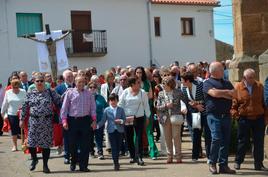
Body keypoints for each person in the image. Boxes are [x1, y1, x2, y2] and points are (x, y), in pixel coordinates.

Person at [19, 73, 61, 173]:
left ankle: (45, 165)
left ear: (44, 82)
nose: (39, 83)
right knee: (31, 143)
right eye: (37, 81)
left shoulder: (50, 92)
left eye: (41, 81)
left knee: (46, 145)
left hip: (47, 122)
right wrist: (21, 119)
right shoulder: (30, 93)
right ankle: (34, 159)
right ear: (34, 82)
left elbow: (59, 102)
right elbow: (24, 108)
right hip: (34, 121)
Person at [203, 61, 236, 174]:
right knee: (216, 138)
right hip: (213, 115)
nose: (223, 71)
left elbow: (235, 94)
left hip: (226, 115)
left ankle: (223, 165)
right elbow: (214, 94)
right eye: (221, 69)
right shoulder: (207, 83)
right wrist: (226, 93)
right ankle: (212, 162)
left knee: (225, 140)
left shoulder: (226, 82)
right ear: (214, 71)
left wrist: (221, 93)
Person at [231, 68, 268, 171]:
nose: (252, 79)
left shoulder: (260, 86)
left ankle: (258, 164)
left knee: (259, 142)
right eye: (249, 78)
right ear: (244, 78)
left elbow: (264, 103)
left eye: (253, 77)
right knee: (242, 141)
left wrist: (266, 117)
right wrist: (236, 116)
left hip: (258, 118)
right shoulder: (238, 87)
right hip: (244, 119)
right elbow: (234, 104)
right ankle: (238, 162)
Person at [61, 76, 96, 172]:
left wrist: (94, 120)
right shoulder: (69, 93)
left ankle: (83, 165)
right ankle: (73, 162)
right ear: (75, 83)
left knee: (85, 144)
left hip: (85, 120)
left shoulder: (89, 94)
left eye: (83, 82)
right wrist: (64, 121)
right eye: (79, 82)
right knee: (72, 144)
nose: (81, 84)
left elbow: (93, 108)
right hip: (73, 121)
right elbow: (64, 108)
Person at [118, 76, 151, 166]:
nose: (140, 84)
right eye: (138, 83)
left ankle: (139, 157)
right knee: (128, 138)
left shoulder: (142, 93)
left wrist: (147, 116)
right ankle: (133, 156)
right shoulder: (125, 92)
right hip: (127, 118)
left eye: (139, 82)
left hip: (139, 117)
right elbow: (120, 104)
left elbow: (146, 105)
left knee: (139, 137)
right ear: (132, 84)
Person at [181, 72, 211, 162]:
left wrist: (198, 104)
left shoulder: (200, 85)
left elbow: (207, 98)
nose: (181, 82)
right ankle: (195, 156)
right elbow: (187, 100)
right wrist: (195, 105)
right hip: (195, 113)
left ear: (187, 81)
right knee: (196, 134)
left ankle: (210, 157)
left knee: (207, 134)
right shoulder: (184, 88)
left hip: (205, 112)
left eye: (182, 80)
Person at [156, 76, 187, 164]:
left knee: (176, 137)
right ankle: (169, 156)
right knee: (167, 138)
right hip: (165, 118)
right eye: (162, 83)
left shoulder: (178, 92)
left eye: (164, 84)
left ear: (170, 84)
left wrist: (183, 110)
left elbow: (184, 103)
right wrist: (166, 106)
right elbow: (157, 107)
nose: (163, 85)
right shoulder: (161, 94)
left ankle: (178, 156)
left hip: (176, 117)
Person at [98, 93, 126, 171]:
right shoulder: (107, 110)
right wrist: (97, 126)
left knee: (118, 147)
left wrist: (120, 121)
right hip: (111, 131)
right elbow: (103, 120)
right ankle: (115, 162)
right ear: (109, 101)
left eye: (114, 100)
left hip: (119, 130)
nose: (113, 102)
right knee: (113, 147)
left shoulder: (121, 109)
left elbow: (124, 120)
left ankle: (116, 160)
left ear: (117, 101)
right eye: (111, 100)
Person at [55, 70, 75, 164]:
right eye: (68, 76)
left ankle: (75, 156)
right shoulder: (59, 88)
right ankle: (67, 155)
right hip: (65, 116)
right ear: (64, 78)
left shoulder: (77, 86)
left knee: (76, 137)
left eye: (71, 76)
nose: (70, 78)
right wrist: (64, 95)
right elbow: (57, 102)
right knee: (66, 137)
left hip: (76, 115)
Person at [1, 79, 26, 151]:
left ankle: (23, 144)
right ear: (11, 86)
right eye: (14, 87)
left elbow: (26, 102)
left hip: (22, 114)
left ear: (19, 86)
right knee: (13, 131)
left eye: (17, 87)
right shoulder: (8, 92)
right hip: (11, 114)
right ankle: (15, 146)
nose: (15, 88)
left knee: (23, 130)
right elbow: (5, 104)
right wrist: (3, 114)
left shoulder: (23, 92)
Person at [88, 81, 108, 159]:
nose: (92, 89)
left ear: (97, 89)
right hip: (89, 121)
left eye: (94, 87)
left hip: (99, 120)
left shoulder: (100, 97)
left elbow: (106, 107)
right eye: (91, 87)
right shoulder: (86, 97)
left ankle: (100, 152)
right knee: (90, 137)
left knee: (99, 137)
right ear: (88, 88)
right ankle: (91, 152)